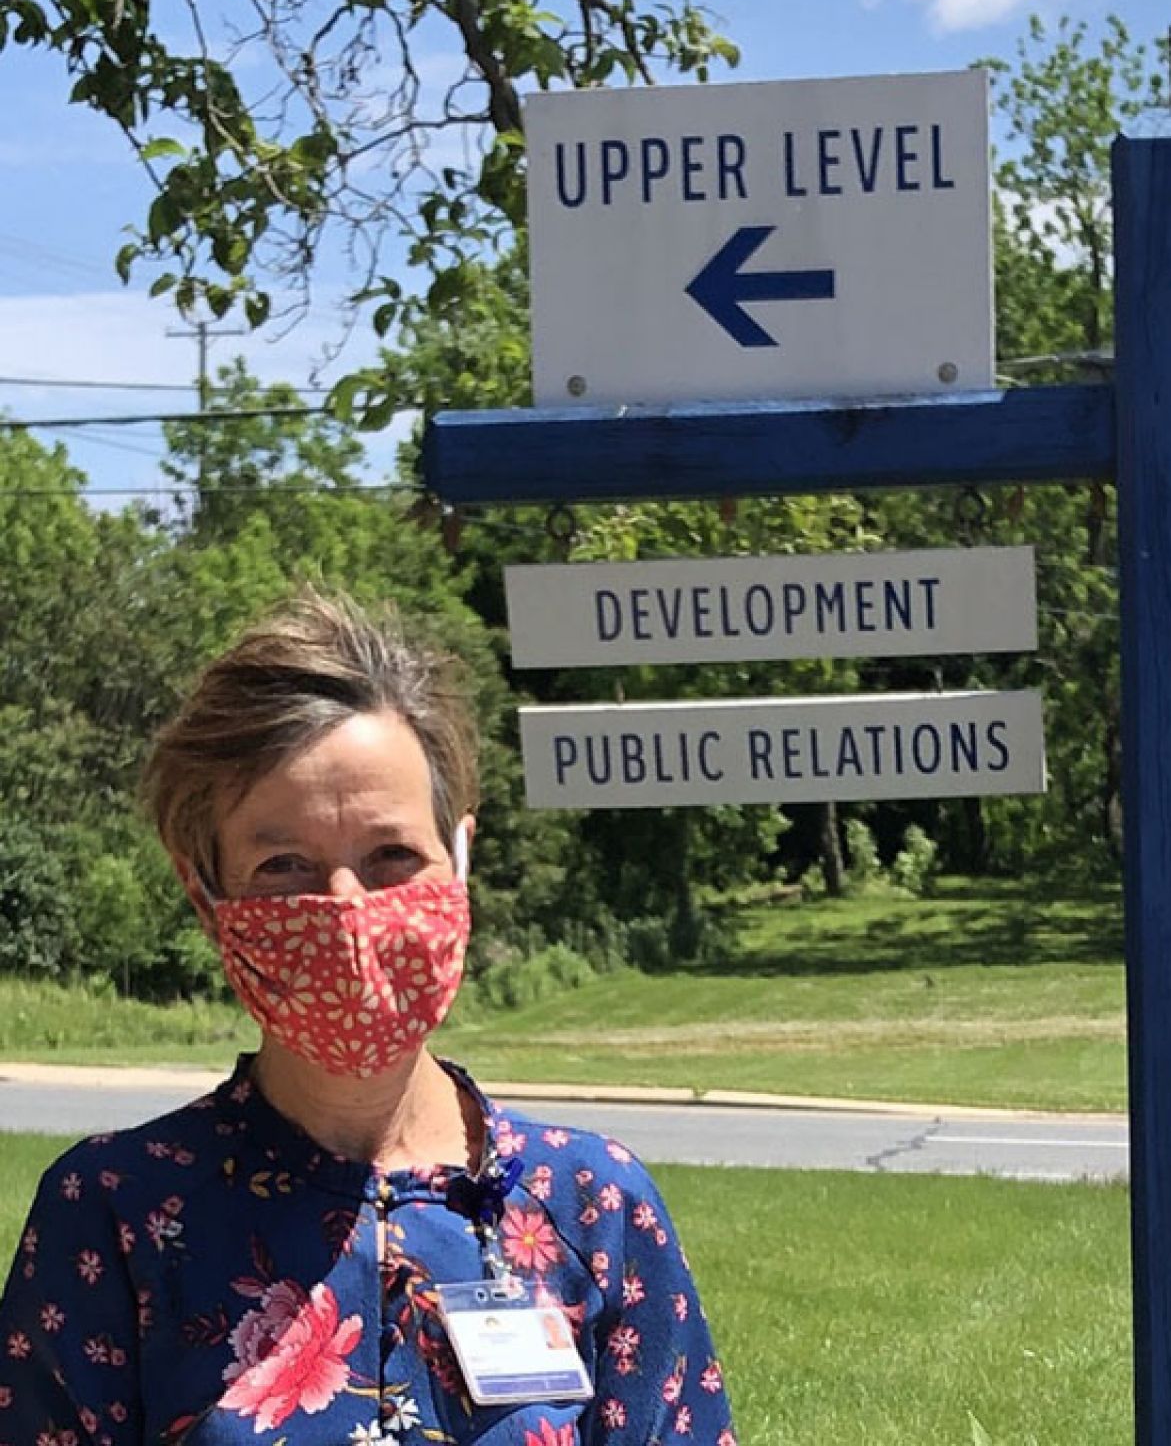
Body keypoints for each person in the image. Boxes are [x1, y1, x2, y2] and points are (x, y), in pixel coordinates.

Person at [0, 592, 735, 1446]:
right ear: (206, 892)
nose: (345, 908)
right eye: (285, 865)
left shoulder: (593, 1208)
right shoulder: (118, 1214)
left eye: (391, 856)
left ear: (459, 859)